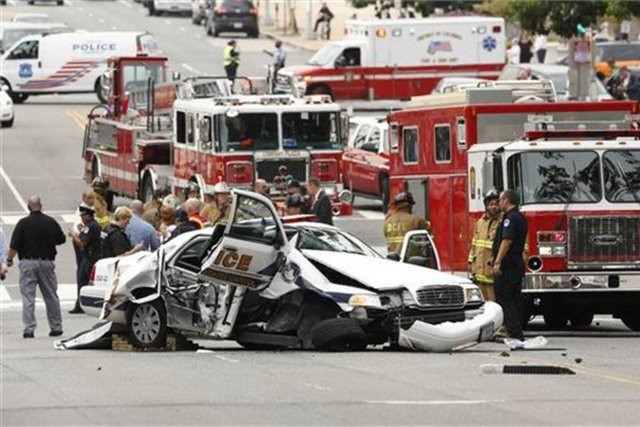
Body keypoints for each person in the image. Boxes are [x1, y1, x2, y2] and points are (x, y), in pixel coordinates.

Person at [7, 196, 66, 338]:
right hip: (47, 263)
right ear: (41, 205)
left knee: (28, 297)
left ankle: (29, 328)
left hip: (28, 262)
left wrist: (9, 259)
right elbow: (61, 239)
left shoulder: (22, 224)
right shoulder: (50, 222)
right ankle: (56, 326)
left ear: (28, 206)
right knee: (51, 295)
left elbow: (14, 246)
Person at [492, 189, 528, 342]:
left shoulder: (510, 219)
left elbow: (507, 240)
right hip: (516, 264)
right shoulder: (520, 217)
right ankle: (517, 330)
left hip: (507, 266)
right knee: (515, 298)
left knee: (504, 298)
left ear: (506, 200)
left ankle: (515, 333)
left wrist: (498, 261)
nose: (499, 203)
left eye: (500, 200)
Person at [67, 204, 102, 314]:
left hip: (89, 258)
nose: (82, 218)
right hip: (93, 257)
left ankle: (81, 305)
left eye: (83, 216)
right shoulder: (94, 226)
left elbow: (82, 243)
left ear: (89, 216)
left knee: (82, 281)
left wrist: (73, 235)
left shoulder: (90, 227)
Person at [467, 190, 502, 301]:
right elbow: (474, 244)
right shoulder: (481, 222)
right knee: (483, 305)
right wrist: (470, 263)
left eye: (497, 204)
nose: (494, 207)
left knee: (495, 305)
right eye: (491, 204)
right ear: (486, 205)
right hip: (479, 272)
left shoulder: (502, 221)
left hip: (492, 272)